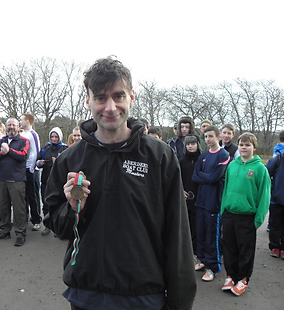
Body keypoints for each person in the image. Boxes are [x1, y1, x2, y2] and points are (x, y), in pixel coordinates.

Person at [45, 57, 196, 309]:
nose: (111, 107)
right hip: (86, 293)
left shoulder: (159, 156)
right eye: (101, 98)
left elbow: (177, 236)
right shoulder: (69, 159)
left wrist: (180, 305)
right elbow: (57, 226)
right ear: (88, 100)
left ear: (132, 97)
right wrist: (72, 210)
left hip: (144, 295)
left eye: (118, 96)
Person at [220, 132, 270, 296]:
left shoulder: (260, 168)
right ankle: (230, 276)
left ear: (254, 147)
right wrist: (223, 211)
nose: (243, 147)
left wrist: (259, 219)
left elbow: (264, 195)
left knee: (245, 250)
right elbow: (226, 189)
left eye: (247, 145)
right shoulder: (232, 165)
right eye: (241, 144)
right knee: (229, 248)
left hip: (247, 217)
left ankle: (242, 279)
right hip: (229, 214)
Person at [192, 125, 230, 282]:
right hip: (200, 201)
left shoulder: (224, 155)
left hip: (213, 203)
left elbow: (215, 178)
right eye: (205, 136)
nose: (208, 139)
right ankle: (202, 260)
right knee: (200, 233)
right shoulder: (203, 156)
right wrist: (205, 176)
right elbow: (194, 177)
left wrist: (204, 176)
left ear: (218, 136)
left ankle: (212, 267)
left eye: (210, 136)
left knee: (211, 236)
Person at [0, 118, 29, 246]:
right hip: (2, 178)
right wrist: (2, 152)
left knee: (19, 208)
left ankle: (20, 234)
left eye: (13, 125)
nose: (11, 127)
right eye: (9, 125)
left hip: (17, 179)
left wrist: (9, 151)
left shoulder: (24, 140)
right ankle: (4, 231)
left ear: (18, 127)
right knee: (3, 206)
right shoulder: (1, 141)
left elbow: (23, 155)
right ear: (5, 127)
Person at [36, 127, 68, 236]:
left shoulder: (64, 148)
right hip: (46, 180)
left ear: (60, 137)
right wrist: (40, 163)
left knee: (59, 203)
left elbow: (67, 165)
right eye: (52, 137)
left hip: (59, 181)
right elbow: (37, 161)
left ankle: (58, 226)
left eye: (56, 137)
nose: (54, 139)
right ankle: (47, 226)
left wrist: (57, 163)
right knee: (46, 203)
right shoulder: (46, 148)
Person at [180, 135, 202, 260]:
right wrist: (181, 190)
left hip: (199, 197)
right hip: (185, 197)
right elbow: (178, 177)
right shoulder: (182, 160)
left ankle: (196, 251)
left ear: (198, 145)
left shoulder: (202, 159)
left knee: (196, 226)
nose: (190, 146)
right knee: (185, 225)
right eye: (188, 144)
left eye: (193, 144)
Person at [19, 114, 42, 231]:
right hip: (22, 169)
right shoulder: (22, 134)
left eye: (21, 120)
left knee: (32, 195)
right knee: (23, 195)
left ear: (27, 121)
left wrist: (32, 167)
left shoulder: (33, 134)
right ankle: (25, 217)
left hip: (31, 169)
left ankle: (36, 219)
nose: (20, 122)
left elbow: (36, 152)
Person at [266, 132, 284, 259]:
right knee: (275, 224)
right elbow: (266, 176)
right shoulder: (277, 160)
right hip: (276, 199)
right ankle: (275, 246)